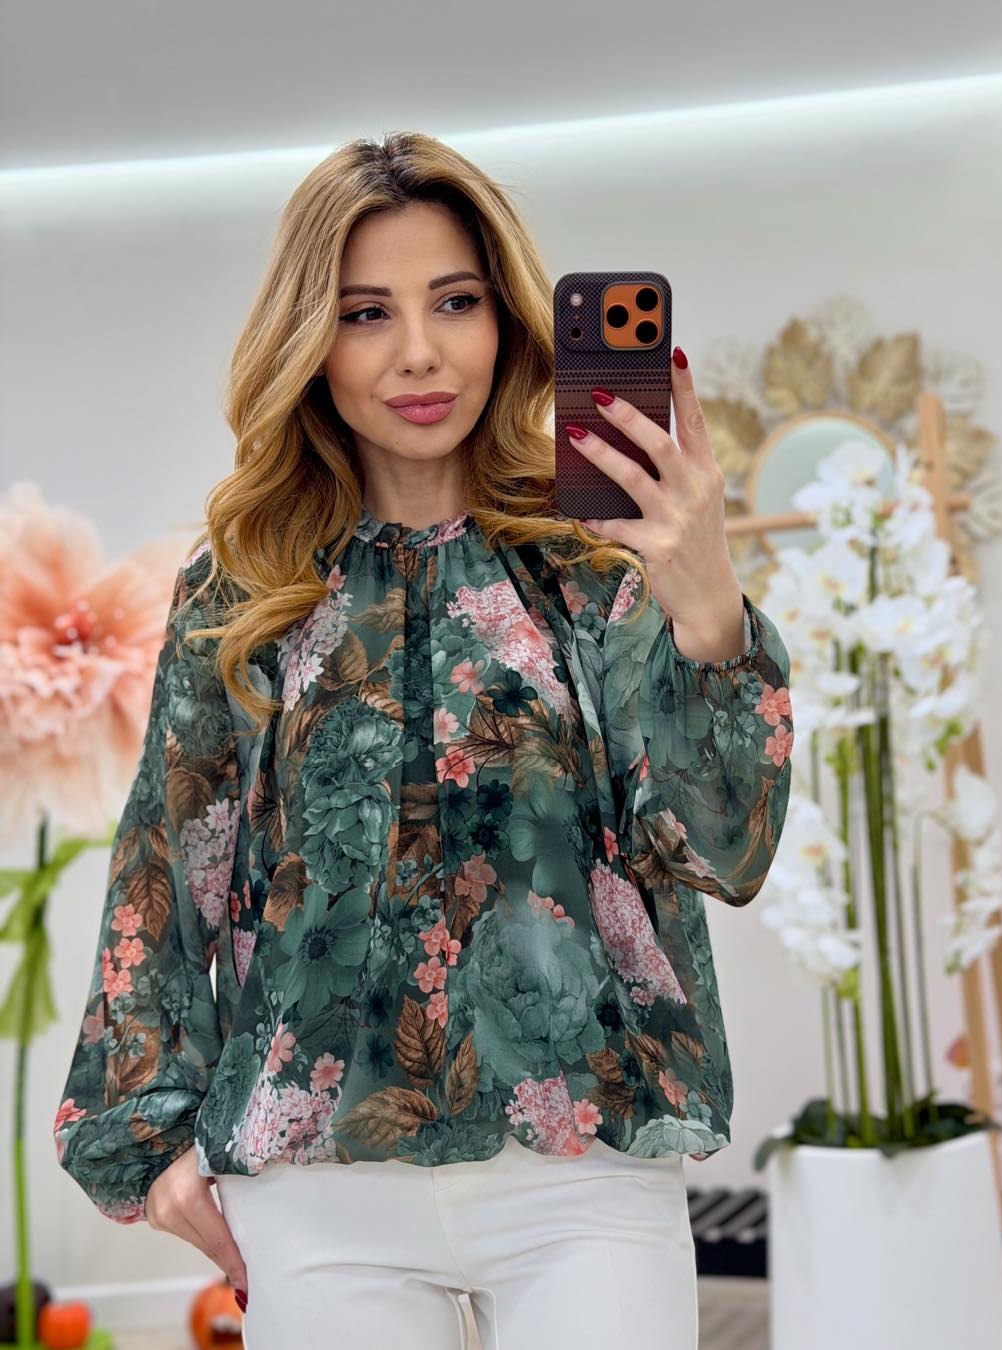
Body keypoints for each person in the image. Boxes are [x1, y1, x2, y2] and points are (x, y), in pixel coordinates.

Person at [53, 131, 794, 1349]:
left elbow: (723, 848)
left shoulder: (594, 568)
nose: (418, 352)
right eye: (366, 313)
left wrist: (709, 605)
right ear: (311, 340)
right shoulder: (242, 588)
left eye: (455, 301)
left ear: (505, 319)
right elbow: (165, 866)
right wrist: (145, 1136)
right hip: (317, 1189)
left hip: (583, 1169)